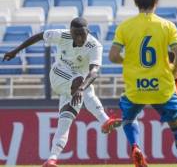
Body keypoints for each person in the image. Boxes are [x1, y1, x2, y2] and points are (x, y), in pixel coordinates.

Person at [2, 17, 122, 167]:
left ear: (88, 32)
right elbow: (39, 36)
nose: (79, 38)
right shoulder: (61, 35)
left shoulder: (94, 46)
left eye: (82, 34)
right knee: (81, 81)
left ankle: (52, 159)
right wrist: (15, 51)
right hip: (58, 75)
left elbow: (94, 72)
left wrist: (80, 89)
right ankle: (104, 120)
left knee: (65, 121)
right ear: (70, 33)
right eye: (75, 34)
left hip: (75, 89)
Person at [108, 0, 177, 167]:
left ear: (135, 2)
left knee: (129, 118)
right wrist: (173, 71)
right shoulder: (167, 25)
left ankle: (135, 146)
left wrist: (128, 61)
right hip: (162, 88)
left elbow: (113, 56)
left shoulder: (125, 26)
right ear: (156, 1)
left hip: (136, 87)